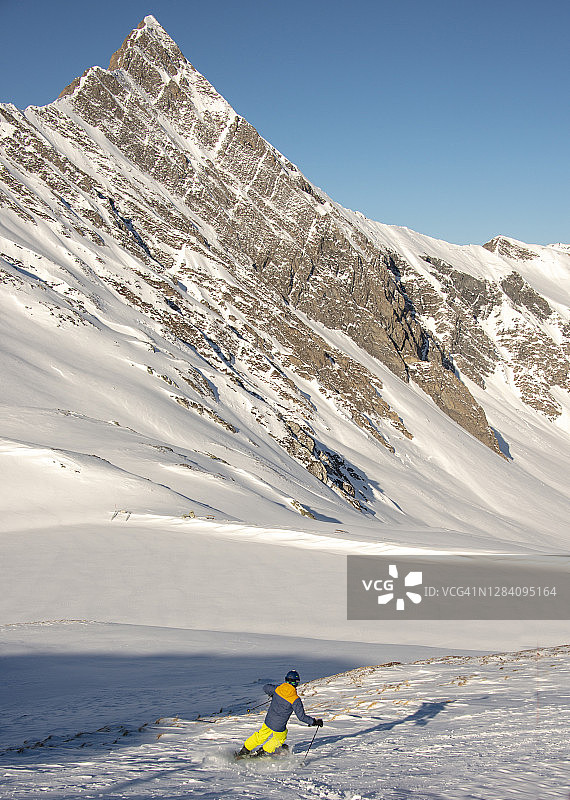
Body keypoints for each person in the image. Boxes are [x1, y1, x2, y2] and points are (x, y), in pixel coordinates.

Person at [235, 669, 323, 758]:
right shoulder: (295, 699)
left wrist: (272, 694)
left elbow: (265, 687)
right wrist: (314, 722)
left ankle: (244, 750)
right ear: (296, 682)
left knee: (261, 735)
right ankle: (262, 752)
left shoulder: (278, 689)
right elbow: (301, 717)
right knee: (280, 738)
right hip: (279, 725)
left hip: (268, 720)